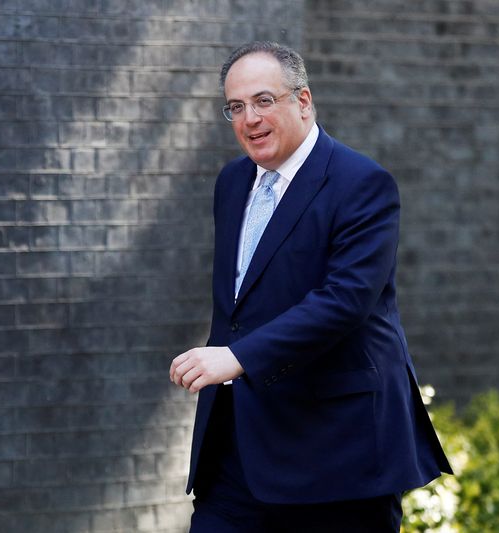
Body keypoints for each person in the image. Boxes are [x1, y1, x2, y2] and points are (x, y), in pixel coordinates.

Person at [169, 41, 452, 532]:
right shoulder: (232, 182)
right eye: (235, 107)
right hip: (238, 453)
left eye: (263, 100)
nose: (249, 118)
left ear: (302, 101)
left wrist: (235, 358)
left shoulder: (362, 183)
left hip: (337, 456)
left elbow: (345, 301)